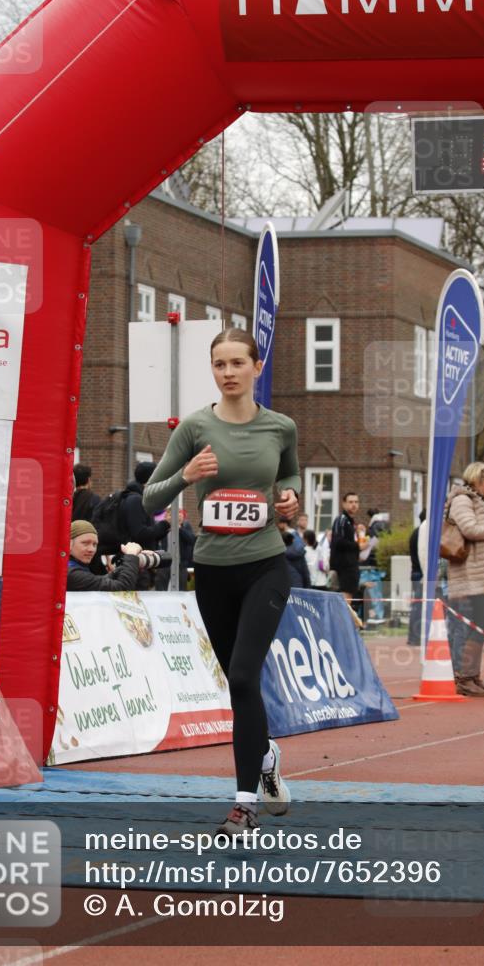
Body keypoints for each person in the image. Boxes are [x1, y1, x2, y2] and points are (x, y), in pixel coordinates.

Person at [143, 328, 300, 837]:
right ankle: (267, 754)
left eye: (237, 363)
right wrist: (186, 477)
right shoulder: (194, 427)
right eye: (219, 364)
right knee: (239, 684)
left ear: (257, 366)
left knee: (242, 676)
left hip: (266, 565)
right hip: (212, 569)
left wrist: (291, 500)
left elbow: (293, 477)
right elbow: (148, 499)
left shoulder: (281, 427)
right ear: (212, 370)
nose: (228, 372)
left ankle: (243, 805)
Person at [444, 463, 484, 697]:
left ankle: (472, 676)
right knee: (471, 628)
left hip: (483, 574)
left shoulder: (480, 500)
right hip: (470, 574)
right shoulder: (463, 500)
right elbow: (470, 529)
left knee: (483, 628)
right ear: (476, 479)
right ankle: (462, 677)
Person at [66, 520, 163, 592]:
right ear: (68, 544)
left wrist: (135, 563)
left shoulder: (72, 569)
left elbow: (103, 580)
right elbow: (122, 588)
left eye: (94, 544)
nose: (91, 549)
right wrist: (131, 557)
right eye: (85, 543)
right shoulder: (71, 574)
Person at [119, 462, 171, 589]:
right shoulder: (136, 500)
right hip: (137, 566)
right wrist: (164, 525)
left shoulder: (137, 498)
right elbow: (140, 533)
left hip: (139, 564)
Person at [329, 492, 360, 604]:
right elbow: (338, 542)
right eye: (351, 502)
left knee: (349, 599)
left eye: (356, 502)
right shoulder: (341, 520)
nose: (354, 505)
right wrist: (357, 545)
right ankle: (341, 621)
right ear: (344, 504)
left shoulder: (350, 522)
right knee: (345, 601)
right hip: (344, 568)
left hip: (351, 566)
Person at [407, 508, 426, 646]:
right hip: (420, 573)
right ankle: (414, 636)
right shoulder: (422, 533)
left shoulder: (415, 533)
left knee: (417, 606)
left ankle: (414, 635)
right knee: (418, 607)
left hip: (416, 571)